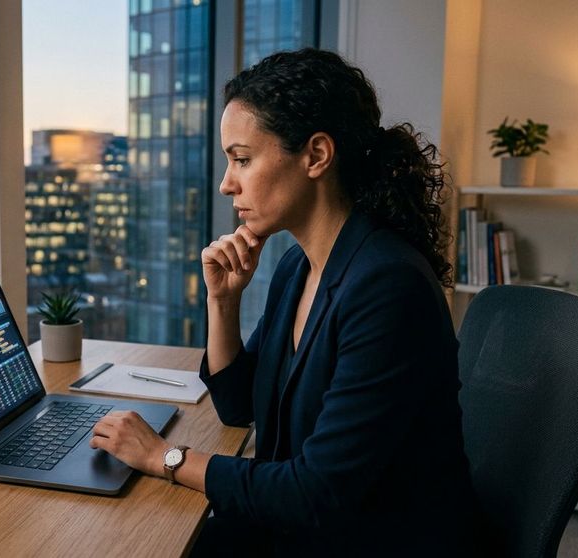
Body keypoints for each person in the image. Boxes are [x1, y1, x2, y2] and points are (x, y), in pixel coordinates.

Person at [88, 48, 477, 555]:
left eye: (242, 159)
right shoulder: (298, 266)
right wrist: (223, 304)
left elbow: (316, 493)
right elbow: (239, 407)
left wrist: (166, 457)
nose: (228, 183)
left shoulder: (387, 287)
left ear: (316, 155)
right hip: (308, 527)